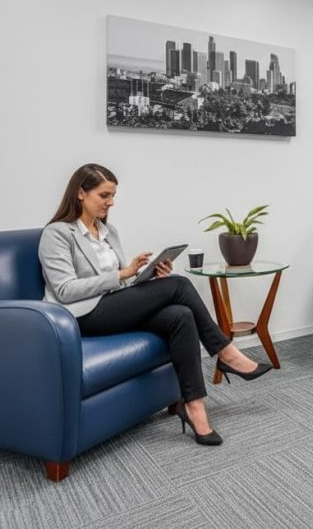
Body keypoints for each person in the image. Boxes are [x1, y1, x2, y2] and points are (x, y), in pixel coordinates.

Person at [38, 163, 271, 446]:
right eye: (104, 195)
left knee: (180, 314)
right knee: (180, 285)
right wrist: (119, 275)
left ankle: (194, 407)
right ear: (80, 193)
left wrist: (139, 275)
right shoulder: (58, 233)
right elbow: (63, 289)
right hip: (81, 316)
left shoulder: (108, 231)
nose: (110, 202)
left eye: (113, 196)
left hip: (111, 306)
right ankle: (225, 353)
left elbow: (119, 282)